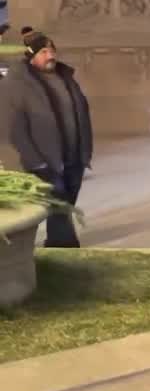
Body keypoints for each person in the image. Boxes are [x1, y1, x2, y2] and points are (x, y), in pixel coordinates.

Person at [2, 27, 94, 247]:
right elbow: (15, 128)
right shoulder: (16, 84)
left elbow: (80, 111)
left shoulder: (65, 76)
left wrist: (85, 151)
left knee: (65, 203)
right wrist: (36, 160)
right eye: (43, 52)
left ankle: (54, 241)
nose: (50, 55)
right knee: (58, 204)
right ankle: (66, 247)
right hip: (44, 160)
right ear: (31, 56)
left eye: (52, 50)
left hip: (74, 157)